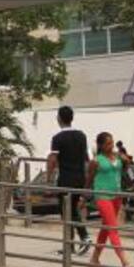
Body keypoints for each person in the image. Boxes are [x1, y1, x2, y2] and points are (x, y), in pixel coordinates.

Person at [84, 131, 134, 267]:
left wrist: (126, 160)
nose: (111, 146)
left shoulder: (117, 156)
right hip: (102, 195)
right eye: (107, 144)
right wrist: (83, 197)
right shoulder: (96, 161)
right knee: (113, 228)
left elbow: (126, 169)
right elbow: (89, 180)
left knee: (105, 228)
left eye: (111, 143)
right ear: (100, 145)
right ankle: (125, 262)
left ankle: (94, 259)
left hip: (116, 195)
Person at [46, 105, 91, 255]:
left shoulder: (57, 138)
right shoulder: (81, 136)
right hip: (79, 178)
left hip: (65, 180)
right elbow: (86, 159)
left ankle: (84, 237)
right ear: (72, 118)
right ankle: (69, 245)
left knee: (67, 212)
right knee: (71, 210)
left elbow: (52, 160)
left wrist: (48, 179)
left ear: (59, 118)